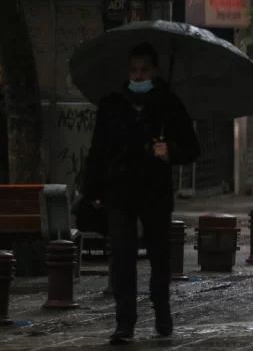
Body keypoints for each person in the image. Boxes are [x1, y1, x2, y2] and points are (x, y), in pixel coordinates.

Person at [81, 43, 200, 345]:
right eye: (134, 70)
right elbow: (98, 150)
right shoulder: (112, 104)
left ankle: (162, 311)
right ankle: (125, 323)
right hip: (118, 191)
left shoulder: (168, 104)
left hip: (155, 192)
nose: (138, 75)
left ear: (154, 70)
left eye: (144, 70)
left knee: (160, 256)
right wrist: (92, 188)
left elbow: (192, 148)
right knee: (122, 256)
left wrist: (169, 150)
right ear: (128, 70)